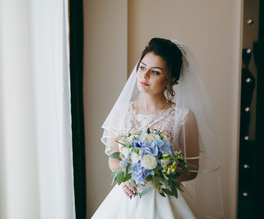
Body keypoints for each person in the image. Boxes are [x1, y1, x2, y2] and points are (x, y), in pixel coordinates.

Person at [92, 38, 223, 219]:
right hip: (127, 198)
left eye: (155, 72)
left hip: (166, 199)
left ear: (171, 80)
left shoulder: (183, 117)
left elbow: (191, 171)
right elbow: (114, 157)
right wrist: (126, 177)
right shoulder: (121, 112)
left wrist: (157, 173)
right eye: (142, 67)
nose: (144, 76)